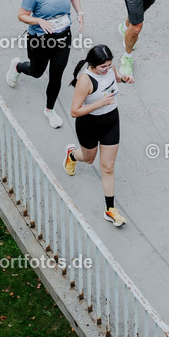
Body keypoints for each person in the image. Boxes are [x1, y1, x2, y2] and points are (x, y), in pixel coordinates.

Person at [5, 0, 84, 128]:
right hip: (40, 40)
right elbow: (21, 15)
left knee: (56, 75)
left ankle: (49, 110)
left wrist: (79, 13)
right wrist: (39, 21)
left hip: (63, 37)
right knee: (36, 72)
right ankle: (18, 66)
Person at [64, 45, 133, 228]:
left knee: (108, 167)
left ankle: (110, 209)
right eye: (104, 67)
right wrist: (100, 103)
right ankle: (72, 155)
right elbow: (74, 111)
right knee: (89, 158)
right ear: (93, 65)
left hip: (111, 120)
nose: (107, 69)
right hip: (89, 124)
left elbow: (115, 78)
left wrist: (124, 79)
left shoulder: (109, 69)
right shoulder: (85, 80)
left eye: (109, 65)